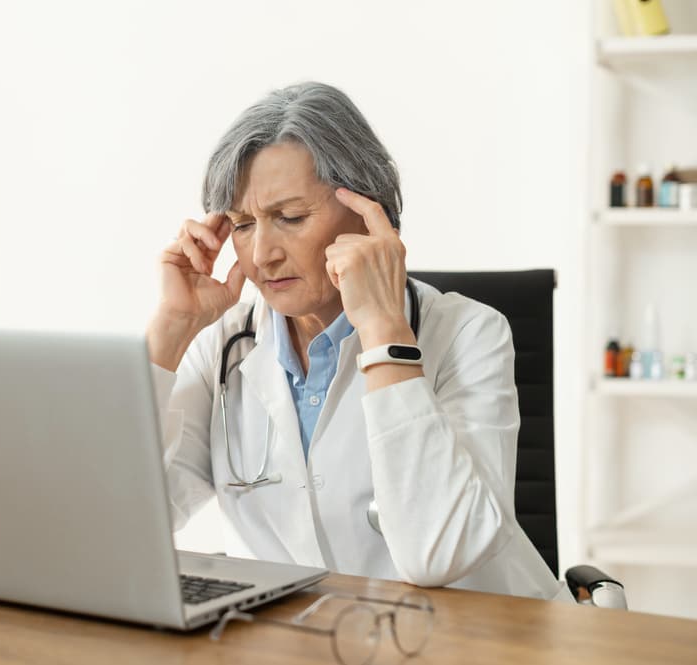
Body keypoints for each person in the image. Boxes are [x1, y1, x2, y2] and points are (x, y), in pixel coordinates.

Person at [145, 81, 567, 600]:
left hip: (479, 642)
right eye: (243, 224)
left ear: (371, 210)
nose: (262, 255)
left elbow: (440, 554)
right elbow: (121, 519)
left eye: (291, 218)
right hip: (312, 640)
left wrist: (385, 331)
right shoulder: (226, 347)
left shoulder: (468, 334)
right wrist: (171, 329)